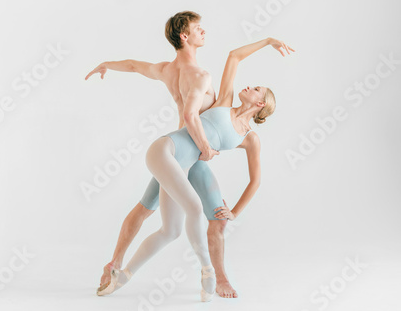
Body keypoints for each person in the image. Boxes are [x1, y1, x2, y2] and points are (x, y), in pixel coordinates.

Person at [94, 34, 294, 301]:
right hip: (168, 153)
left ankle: (128, 275)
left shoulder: (249, 139)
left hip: (186, 167)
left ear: (260, 104)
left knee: (178, 229)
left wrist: (234, 211)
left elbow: (255, 181)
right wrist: (268, 41)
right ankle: (206, 270)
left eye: (257, 89)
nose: (250, 87)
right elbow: (234, 56)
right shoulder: (224, 101)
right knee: (178, 208)